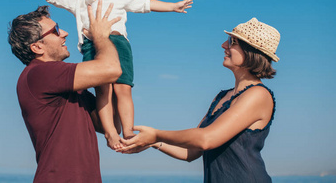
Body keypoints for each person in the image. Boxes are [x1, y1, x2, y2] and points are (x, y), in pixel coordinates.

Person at [10, 0, 193, 149]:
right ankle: (110, 133)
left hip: (119, 44)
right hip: (91, 44)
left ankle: (129, 131)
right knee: (103, 91)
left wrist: (172, 6)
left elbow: (146, 4)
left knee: (124, 89)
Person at [118, 18, 281, 183]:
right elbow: (191, 152)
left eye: (233, 42)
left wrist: (155, 134)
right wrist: (153, 142)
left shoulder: (258, 95)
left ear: (251, 52)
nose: (224, 45)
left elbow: (206, 139)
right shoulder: (221, 97)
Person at [8, 0, 122, 183]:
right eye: (55, 30)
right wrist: (100, 37)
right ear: (37, 47)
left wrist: (103, 80)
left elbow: (112, 126)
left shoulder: (66, 88)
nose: (65, 33)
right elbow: (112, 69)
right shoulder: (39, 73)